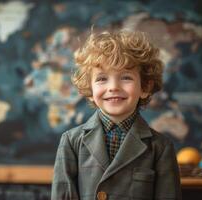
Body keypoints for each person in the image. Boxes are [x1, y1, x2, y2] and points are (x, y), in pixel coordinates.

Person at [51, 30, 181, 200]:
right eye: (102, 79)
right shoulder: (71, 141)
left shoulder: (161, 147)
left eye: (126, 77)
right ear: (90, 91)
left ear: (145, 88)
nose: (113, 87)